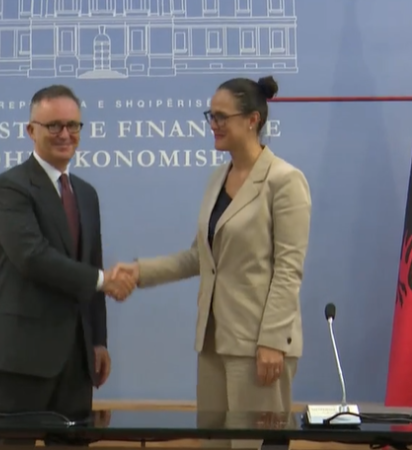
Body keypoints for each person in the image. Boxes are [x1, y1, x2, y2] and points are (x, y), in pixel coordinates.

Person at [115, 76, 312, 449]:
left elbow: (289, 269)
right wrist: (140, 272)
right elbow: (200, 257)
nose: (213, 124)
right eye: (211, 116)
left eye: (222, 116)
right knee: (213, 443)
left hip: (259, 346)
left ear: (252, 120)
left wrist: (273, 341)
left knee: (254, 444)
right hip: (213, 341)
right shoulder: (217, 178)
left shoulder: (285, 180)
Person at [0, 85, 135, 446]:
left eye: (73, 125)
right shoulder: (10, 188)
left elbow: (90, 262)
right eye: (53, 126)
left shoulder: (86, 193)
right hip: (23, 355)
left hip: (77, 358)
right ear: (30, 130)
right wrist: (103, 280)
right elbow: (32, 257)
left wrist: (98, 340)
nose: (65, 134)